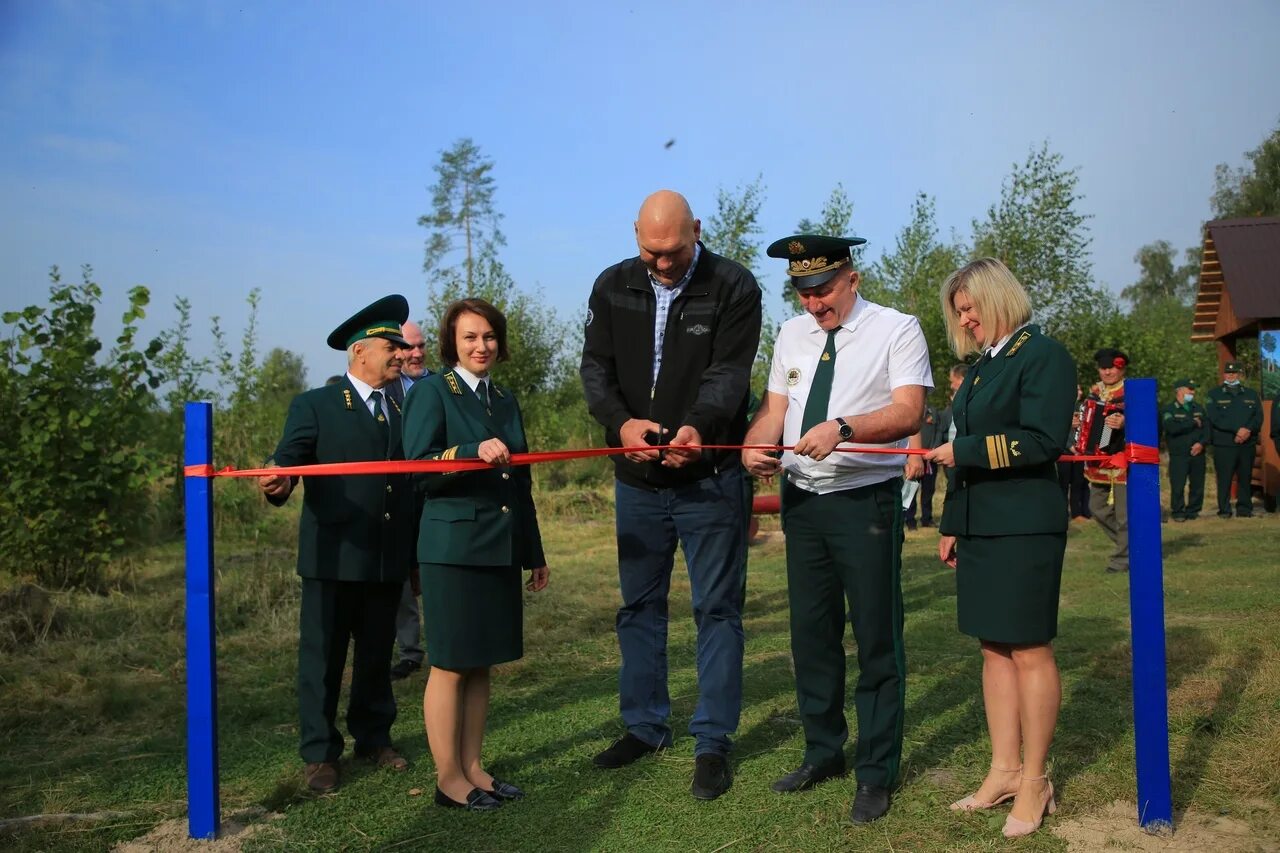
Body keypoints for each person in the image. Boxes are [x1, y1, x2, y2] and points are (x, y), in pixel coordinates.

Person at [742, 234, 930, 824]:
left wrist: (843, 427)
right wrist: (754, 446)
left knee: (877, 639)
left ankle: (876, 771)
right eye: (802, 293)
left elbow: (909, 411)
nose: (814, 305)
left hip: (863, 503)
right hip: (802, 502)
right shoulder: (791, 334)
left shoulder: (897, 328)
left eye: (823, 290)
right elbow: (776, 408)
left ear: (852, 278)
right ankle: (823, 751)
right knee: (812, 635)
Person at [580, 189, 761, 801]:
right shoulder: (611, 285)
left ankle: (711, 742)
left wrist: (699, 428)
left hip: (708, 478)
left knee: (716, 609)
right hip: (637, 481)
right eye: (650, 250)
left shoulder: (734, 285)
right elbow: (596, 370)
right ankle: (644, 726)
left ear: (697, 231)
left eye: (675, 250)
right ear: (636, 234)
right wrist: (619, 425)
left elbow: (729, 375)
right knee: (639, 608)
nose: (662, 262)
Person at [924, 258, 1076, 840]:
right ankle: (1004, 770)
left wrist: (960, 455)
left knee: (1030, 649)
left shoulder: (1043, 356)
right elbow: (965, 441)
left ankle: (1036, 780)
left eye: (971, 307)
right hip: (982, 524)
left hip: (1024, 525)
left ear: (1000, 298)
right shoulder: (983, 368)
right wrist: (951, 522)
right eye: (959, 311)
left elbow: (1042, 440)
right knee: (993, 649)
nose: (965, 319)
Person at [258, 295, 416, 792]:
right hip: (333, 556)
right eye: (390, 345)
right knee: (322, 660)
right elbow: (288, 461)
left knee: (376, 654)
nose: (400, 353)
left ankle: (373, 737)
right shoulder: (316, 405)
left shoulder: (403, 405)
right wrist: (278, 481)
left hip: (385, 556)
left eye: (400, 345)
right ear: (358, 353)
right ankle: (320, 753)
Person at [401, 298, 550, 811]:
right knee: (450, 663)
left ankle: (474, 768)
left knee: (482, 661)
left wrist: (533, 551)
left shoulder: (504, 398)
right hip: (452, 548)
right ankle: (447, 778)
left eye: (488, 336)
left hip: (500, 545)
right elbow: (415, 467)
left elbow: (520, 477)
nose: (480, 346)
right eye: (469, 337)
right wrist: (470, 452)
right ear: (451, 343)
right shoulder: (431, 392)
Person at [387, 320, 431, 681]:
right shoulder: (384, 390)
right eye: (408, 347)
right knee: (401, 578)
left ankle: (453, 642)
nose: (415, 353)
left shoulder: (445, 385)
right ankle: (410, 651)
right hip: (399, 497)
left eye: (421, 346)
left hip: (435, 494)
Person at [1083, 349, 1129, 573]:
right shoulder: (1094, 392)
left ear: (1122, 368)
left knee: (1124, 516)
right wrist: (1077, 423)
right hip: (1098, 460)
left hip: (1123, 458)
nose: (1108, 371)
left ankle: (1122, 559)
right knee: (1097, 508)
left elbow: (1152, 421)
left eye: (1112, 367)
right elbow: (1088, 420)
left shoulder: (1132, 391)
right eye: (1104, 368)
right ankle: (1133, 546)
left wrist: (1125, 422)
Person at [1206, 361, 1263, 518]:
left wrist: (1247, 430)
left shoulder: (1251, 394)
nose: (1231, 375)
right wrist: (1236, 430)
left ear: (1239, 374)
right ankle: (1224, 510)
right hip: (1225, 444)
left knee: (1245, 477)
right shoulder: (1214, 394)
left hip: (1247, 443)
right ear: (1224, 375)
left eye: (1234, 372)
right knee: (1225, 478)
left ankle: (1244, 509)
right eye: (1228, 373)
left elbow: (1258, 417)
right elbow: (1215, 418)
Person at [1162, 379, 1209, 522]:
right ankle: (1178, 511)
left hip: (1198, 452)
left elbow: (1207, 430)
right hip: (1179, 453)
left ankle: (1193, 510)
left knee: (1197, 484)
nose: (1192, 392)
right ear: (1179, 390)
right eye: (1190, 389)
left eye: (1193, 390)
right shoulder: (1169, 409)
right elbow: (1172, 428)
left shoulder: (1198, 408)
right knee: (1178, 484)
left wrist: (1201, 444)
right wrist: (1192, 422)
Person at [904, 402, 945, 530]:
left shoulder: (933, 412)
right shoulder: (909, 412)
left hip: (930, 460)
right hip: (912, 459)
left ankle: (927, 519)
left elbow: (939, 431)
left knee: (928, 491)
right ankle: (910, 521)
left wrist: (934, 448)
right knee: (911, 490)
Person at [1058, 386, 1091, 522]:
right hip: (1065, 454)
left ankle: (1078, 513)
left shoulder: (1081, 408)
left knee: (1079, 483)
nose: (1080, 393)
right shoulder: (1060, 407)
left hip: (1079, 454)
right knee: (1063, 485)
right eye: (1076, 389)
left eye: (1080, 390)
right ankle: (1062, 514)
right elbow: (1059, 431)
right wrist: (1071, 448)